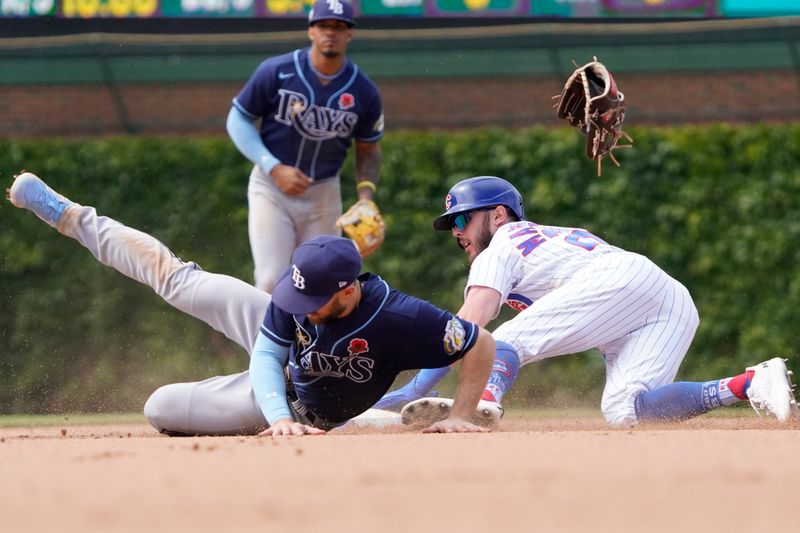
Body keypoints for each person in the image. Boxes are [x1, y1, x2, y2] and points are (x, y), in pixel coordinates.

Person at [6, 172, 495, 436]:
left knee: (160, 409)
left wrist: (463, 415)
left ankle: (375, 420)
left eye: (310, 299)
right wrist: (277, 416)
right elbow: (267, 352)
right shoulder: (299, 293)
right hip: (281, 398)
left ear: (348, 290)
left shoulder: (401, 318)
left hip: (307, 409)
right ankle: (71, 216)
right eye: (295, 293)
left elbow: (479, 342)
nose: (298, 306)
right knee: (178, 279)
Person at [379, 176, 798, 426]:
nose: (455, 230)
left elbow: (470, 324)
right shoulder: (542, 239)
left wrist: (414, 387)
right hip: (666, 298)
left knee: (505, 340)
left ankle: (486, 403)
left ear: (499, 215)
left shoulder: (502, 243)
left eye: (461, 218)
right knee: (626, 411)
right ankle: (750, 383)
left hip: (618, 281)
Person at [227, 0, 384, 292]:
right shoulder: (276, 71)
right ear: (311, 30)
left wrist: (365, 198)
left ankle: (312, 340)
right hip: (271, 187)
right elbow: (237, 120)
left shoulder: (364, 90)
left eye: (339, 26)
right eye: (324, 25)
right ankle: (263, 340)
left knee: (322, 283)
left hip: (323, 194)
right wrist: (272, 167)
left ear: (350, 33)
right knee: (271, 279)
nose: (331, 32)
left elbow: (369, 150)